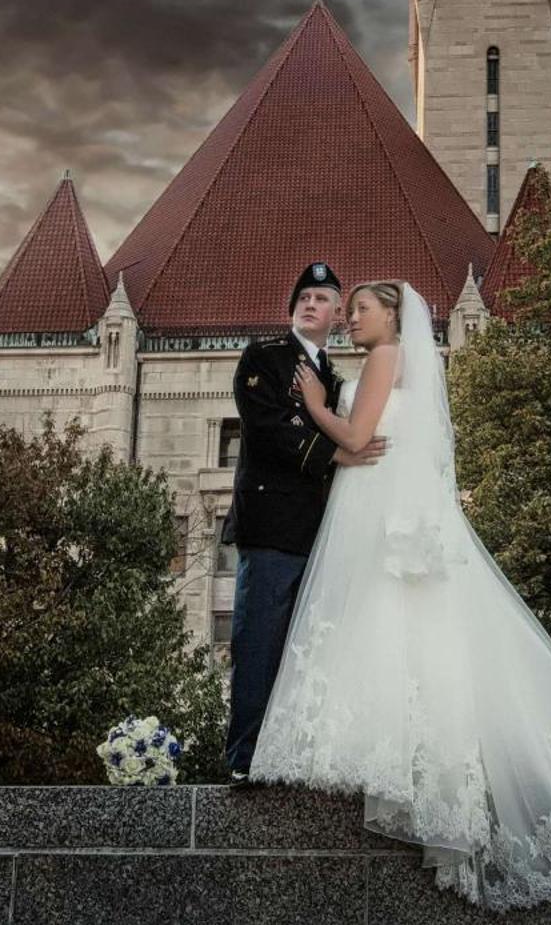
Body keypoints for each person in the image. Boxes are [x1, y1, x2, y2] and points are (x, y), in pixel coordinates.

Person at [245, 279, 551, 912]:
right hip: (372, 506)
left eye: (360, 309)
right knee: (394, 627)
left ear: (392, 317)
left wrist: (316, 405)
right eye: (348, 309)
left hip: (372, 505)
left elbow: (355, 440)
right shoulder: (394, 361)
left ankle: (386, 758)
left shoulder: (384, 359)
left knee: (379, 622)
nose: (351, 319)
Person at [219, 261, 388, 783]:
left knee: (305, 650)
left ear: (338, 313)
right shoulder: (264, 356)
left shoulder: (334, 377)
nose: (309, 304)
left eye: (321, 298)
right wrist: (334, 456)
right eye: (303, 297)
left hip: (320, 531)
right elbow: (268, 427)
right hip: (271, 525)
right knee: (258, 641)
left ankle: (288, 755)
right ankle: (245, 759)